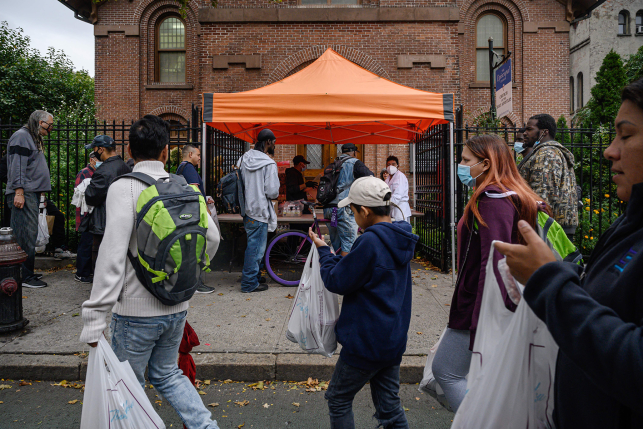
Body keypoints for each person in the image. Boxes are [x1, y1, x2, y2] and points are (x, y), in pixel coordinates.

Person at [495, 79, 643, 429]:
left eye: (625, 134)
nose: (609, 151)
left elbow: (540, 201)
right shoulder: (628, 224)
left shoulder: (547, 156)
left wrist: (549, 278)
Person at [80, 115, 221, 429]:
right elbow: (212, 238)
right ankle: (206, 426)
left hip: (135, 313)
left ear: (129, 149)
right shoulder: (185, 187)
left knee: (128, 387)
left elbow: (112, 256)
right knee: (167, 373)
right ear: (167, 152)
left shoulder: (123, 188)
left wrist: (94, 318)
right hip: (177, 306)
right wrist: (187, 274)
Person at [431, 134, 548, 412]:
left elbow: (493, 261)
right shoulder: (507, 194)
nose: (460, 165)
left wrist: (480, 321)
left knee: (446, 371)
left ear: (485, 164)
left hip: (478, 305)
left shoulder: (492, 199)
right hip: (485, 304)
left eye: (465, 160)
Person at [309, 176, 418, 429]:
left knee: (338, 398)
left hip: (365, 341)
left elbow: (337, 281)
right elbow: (360, 273)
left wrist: (324, 252)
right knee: (389, 408)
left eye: (352, 210)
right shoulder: (399, 237)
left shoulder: (370, 240)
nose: (352, 215)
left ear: (365, 211)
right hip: (392, 339)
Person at [6, 110, 53, 288]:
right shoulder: (22, 137)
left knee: (28, 234)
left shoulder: (31, 137)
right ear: (39, 122)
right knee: (24, 235)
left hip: (29, 192)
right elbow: (17, 166)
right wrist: (19, 192)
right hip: (23, 193)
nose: (51, 128)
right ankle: (24, 276)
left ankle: (26, 272)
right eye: (49, 124)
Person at [518, 114, 578, 240]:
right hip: (555, 226)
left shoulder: (546, 154)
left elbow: (543, 196)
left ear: (544, 132)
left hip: (548, 229)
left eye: (529, 129)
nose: (524, 133)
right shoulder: (549, 152)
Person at [237, 129, 280, 293]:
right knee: (255, 249)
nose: (274, 145)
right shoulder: (269, 164)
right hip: (260, 210)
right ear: (268, 142)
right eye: (274, 142)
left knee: (253, 247)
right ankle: (249, 283)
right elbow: (272, 192)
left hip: (247, 210)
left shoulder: (243, 159)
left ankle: (254, 276)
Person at [84, 135, 131, 272]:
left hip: (103, 221)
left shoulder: (103, 170)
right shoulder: (124, 166)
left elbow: (91, 197)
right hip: (122, 219)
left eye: (94, 149)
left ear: (101, 149)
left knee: (101, 260)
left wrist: (87, 189)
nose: (93, 152)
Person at [176, 144, 216, 294]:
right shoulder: (188, 168)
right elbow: (195, 189)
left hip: (187, 211)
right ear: (190, 154)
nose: (200, 158)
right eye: (198, 155)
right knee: (212, 239)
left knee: (194, 245)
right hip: (197, 211)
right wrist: (205, 208)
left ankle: (193, 278)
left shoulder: (180, 168)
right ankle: (196, 277)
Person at [322, 143, 373, 256]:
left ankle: (336, 270)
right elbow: (371, 178)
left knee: (337, 245)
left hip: (329, 209)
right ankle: (345, 272)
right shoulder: (355, 163)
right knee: (348, 244)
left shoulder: (333, 164)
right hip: (343, 209)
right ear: (354, 152)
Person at [73, 151, 98, 283]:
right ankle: (81, 273)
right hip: (86, 214)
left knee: (90, 243)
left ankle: (86, 272)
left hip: (92, 214)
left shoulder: (95, 172)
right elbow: (78, 194)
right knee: (86, 243)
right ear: (91, 159)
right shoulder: (84, 173)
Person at [385, 155, 412, 222]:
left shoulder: (400, 177)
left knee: (400, 230)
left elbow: (397, 196)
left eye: (393, 164)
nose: (391, 166)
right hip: (391, 209)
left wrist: (386, 205)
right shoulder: (388, 179)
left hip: (400, 209)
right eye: (389, 164)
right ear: (386, 166)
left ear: (398, 166)